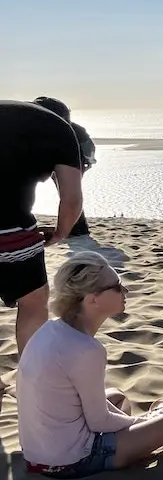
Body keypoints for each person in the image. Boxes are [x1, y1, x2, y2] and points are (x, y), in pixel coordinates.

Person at [17, 251, 163, 478]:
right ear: (92, 299)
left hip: (38, 456)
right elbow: (99, 421)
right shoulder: (85, 348)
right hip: (73, 461)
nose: (125, 291)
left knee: (117, 397)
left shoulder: (51, 329)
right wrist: (145, 421)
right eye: (116, 287)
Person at [0, 99, 84, 357]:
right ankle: (31, 371)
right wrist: (60, 232)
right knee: (33, 302)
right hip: (10, 227)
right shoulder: (60, 129)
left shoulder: (12, 111)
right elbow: (71, 200)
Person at [32, 97, 97, 237]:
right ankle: (76, 228)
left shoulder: (71, 129)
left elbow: (88, 148)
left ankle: (76, 228)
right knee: (70, 195)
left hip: (71, 164)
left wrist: (87, 162)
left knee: (69, 196)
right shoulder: (68, 128)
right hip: (66, 164)